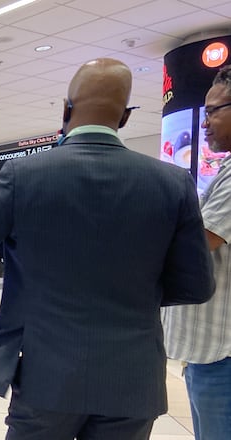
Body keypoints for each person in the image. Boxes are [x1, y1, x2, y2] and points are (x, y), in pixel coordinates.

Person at [0, 58, 215, 440]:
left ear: (65, 109)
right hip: (132, 379)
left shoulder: (22, 176)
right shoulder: (173, 183)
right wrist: (137, 291)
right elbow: (196, 285)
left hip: (45, 376)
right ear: (125, 117)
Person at [162, 64, 231, 440]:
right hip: (212, 355)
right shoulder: (226, 169)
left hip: (223, 357)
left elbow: (199, 241)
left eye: (213, 111)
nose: (204, 123)